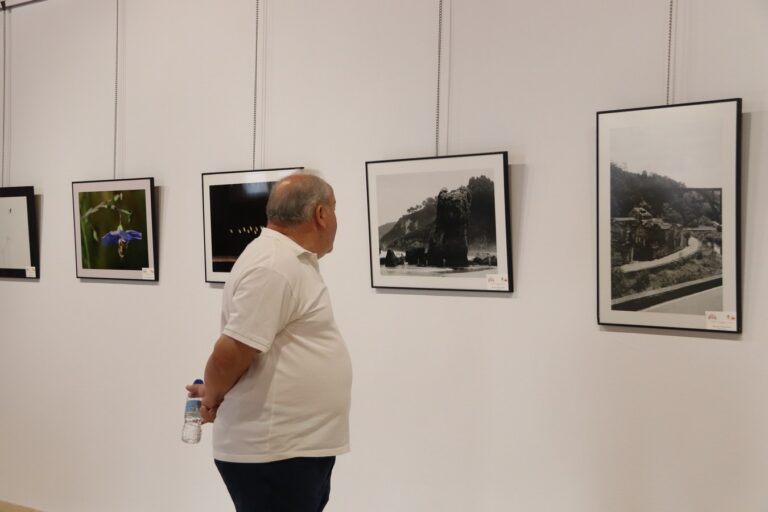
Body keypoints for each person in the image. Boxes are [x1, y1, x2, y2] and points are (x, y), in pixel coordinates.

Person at [186, 173, 352, 512]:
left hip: (292, 449)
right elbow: (229, 352)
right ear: (321, 214)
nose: (336, 219)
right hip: (274, 454)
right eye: (334, 209)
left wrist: (216, 391)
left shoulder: (287, 260)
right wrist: (212, 398)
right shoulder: (275, 266)